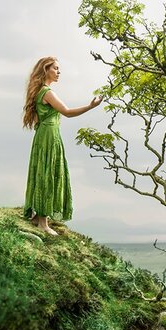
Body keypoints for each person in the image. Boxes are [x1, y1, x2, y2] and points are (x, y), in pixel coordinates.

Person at [21, 56, 102, 236]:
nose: (59, 72)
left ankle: (38, 217)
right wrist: (91, 106)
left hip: (45, 135)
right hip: (49, 136)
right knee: (49, 173)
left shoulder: (40, 91)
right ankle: (43, 223)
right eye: (55, 68)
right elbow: (67, 112)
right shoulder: (47, 92)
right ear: (46, 70)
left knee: (44, 171)